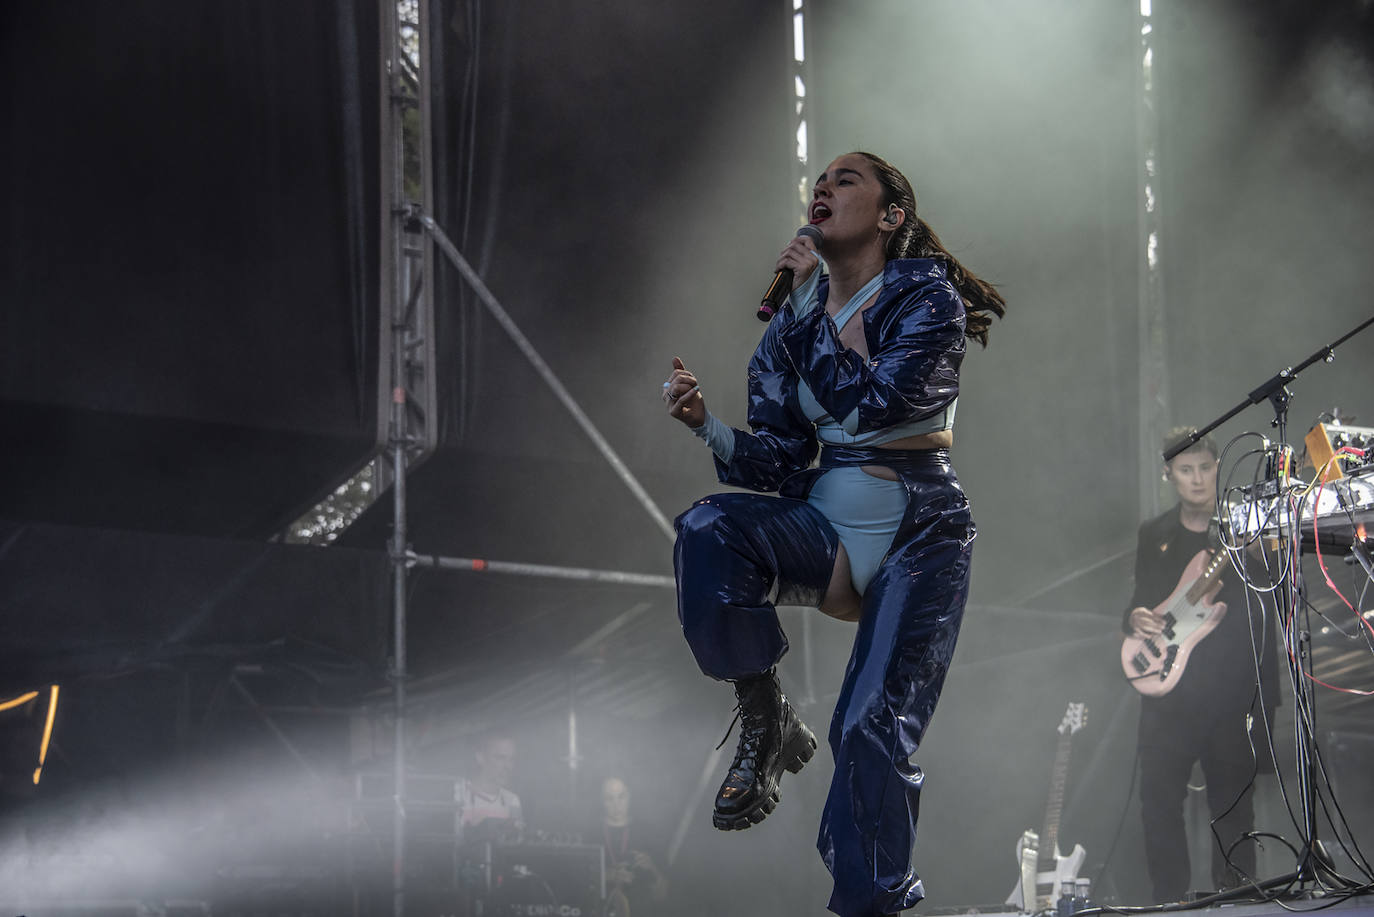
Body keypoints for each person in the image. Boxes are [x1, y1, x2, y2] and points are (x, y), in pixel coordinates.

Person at [663, 151, 1005, 917]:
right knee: (706, 529)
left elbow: (879, 403)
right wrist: (709, 428)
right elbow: (784, 460)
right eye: (818, 181)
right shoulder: (789, 327)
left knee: (867, 727)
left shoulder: (926, 298)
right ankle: (767, 713)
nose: (824, 187)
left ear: (891, 217)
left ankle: (870, 902)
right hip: (830, 519)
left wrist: (814, 304)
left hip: (921, 528)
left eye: (845, 180)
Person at [1122, 427, 1279, 902]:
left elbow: (1271, 595)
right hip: (1169, 694)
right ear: (1169, 474)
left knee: (1232, 808)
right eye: (1186, 470)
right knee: (1158, 805)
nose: (1197, 479)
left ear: (1218, 469)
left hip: (1230, 690)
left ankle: (1236, 901)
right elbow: (1140, 601)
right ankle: (1168, 901)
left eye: (1205, 468)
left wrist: (1259, 557)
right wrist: (1134, 617)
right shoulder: (1155, 534)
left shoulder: (1243, 528)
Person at [589, 776, 669, 916]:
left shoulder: (649, 833)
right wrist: (603, 877)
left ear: (630, 796)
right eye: (609, 798)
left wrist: (653, 869)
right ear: (601, 801)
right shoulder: (590, 834)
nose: (616, 804)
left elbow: (663, 895)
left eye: (621, 797)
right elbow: (573, 887)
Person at [455, 732, 524, 841]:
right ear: (480, 758)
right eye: (500, 758)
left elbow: (516, 846)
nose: (508, 766)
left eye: (511, 759)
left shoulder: (512, 801)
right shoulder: (459, 793)